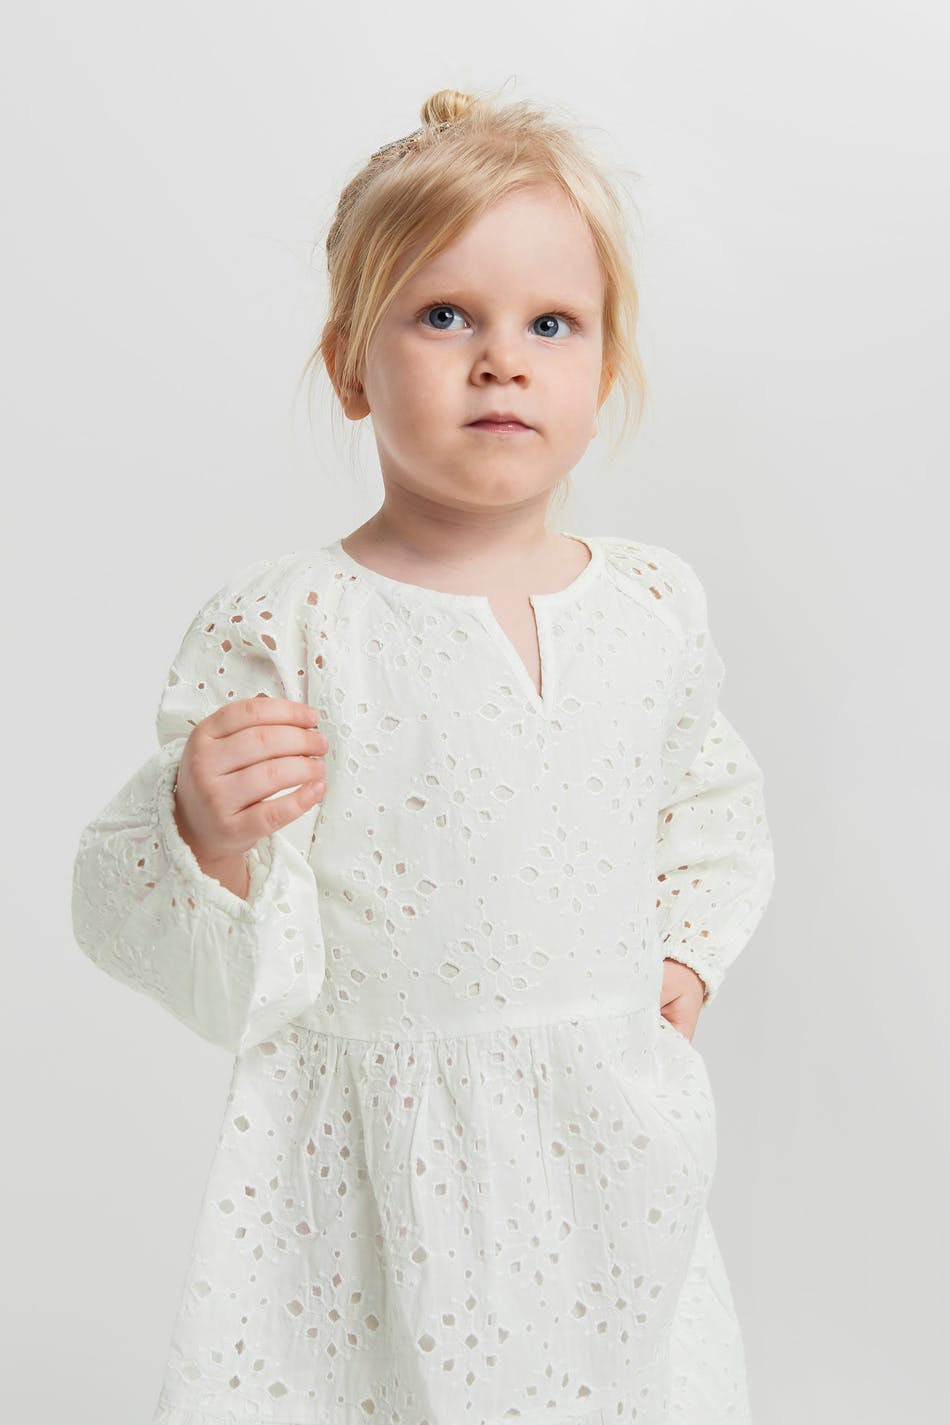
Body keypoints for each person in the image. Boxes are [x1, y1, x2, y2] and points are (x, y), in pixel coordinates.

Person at [71, 87, 776, 1425]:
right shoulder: (290, 625)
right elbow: (148, 922)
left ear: (604, 369)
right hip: (380, 1154)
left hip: (606, 1136)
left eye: (550, 324)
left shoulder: (648, 607)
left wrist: (683, 956)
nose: (501, 359)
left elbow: (708, 801)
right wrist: (202, 830)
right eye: (445, 315)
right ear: (350, 365)